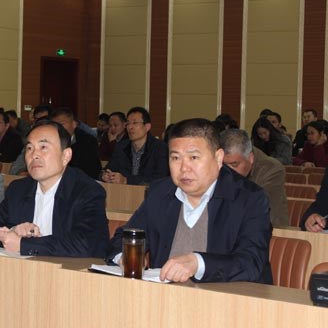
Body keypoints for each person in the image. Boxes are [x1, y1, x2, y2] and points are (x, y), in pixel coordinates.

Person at [107, 118, 272, 284]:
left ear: (218, 157)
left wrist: (198, 264)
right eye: (175, 158)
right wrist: (126, 256)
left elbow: (251, 262)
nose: (184, 168)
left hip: (226, 297)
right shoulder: (160, 192)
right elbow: (125, 237)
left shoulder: (249, 198)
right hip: (163, 296)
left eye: (193, 157)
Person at [0, 120, 108, 257]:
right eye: (29, 148)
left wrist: (23, 244)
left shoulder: (87, 191)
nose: (34, 155)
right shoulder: (18, 189)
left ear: (65, 156)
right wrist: (12, 231)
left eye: (43, 147)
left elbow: (88, 243)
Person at [220, 129, 289, 227]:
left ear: (250, 158)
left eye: (234, 164)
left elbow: (262, 210)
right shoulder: (214, 165)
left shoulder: (272, 169)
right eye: (223, 165)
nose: (228, 172)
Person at [102, 106, 169, 185]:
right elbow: (109, 169)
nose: (130, 127)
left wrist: (126, 180)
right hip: (122, 192)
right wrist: (106, 175)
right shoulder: (121, 147)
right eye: (128, 123)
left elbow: (161, 179)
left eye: (135, 123)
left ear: (147, 127)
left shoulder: (160, 148)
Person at [50, 107, 101, 179]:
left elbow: (91, 170)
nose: (58, 128)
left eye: (61, 124)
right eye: (54, 125)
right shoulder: (49, 140)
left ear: (74, 124)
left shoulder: (88, 141)